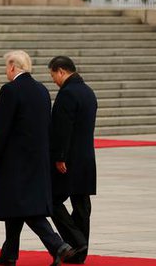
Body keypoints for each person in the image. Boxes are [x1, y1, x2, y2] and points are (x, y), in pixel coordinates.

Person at [0, 50, 74, 266]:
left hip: (15, 161)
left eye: (7, 66)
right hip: (37, 159)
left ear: (13, 67)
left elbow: (1, 127)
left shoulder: (10, 90)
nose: (6, 71)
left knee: (23, 207)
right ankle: (9, 254)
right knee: (15, 206)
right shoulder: (42, 90)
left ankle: (58, 245)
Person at [48, 56, 98, 264]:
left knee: (52, 201)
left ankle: (75, 241)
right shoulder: (88, 92)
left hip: (69, 160)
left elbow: (62, 129)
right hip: (86, 157)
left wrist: (59, 157)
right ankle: (80, 252)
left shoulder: (67, 94)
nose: (54, 81)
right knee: (81, 204)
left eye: (53, 76)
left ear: (61, 71)